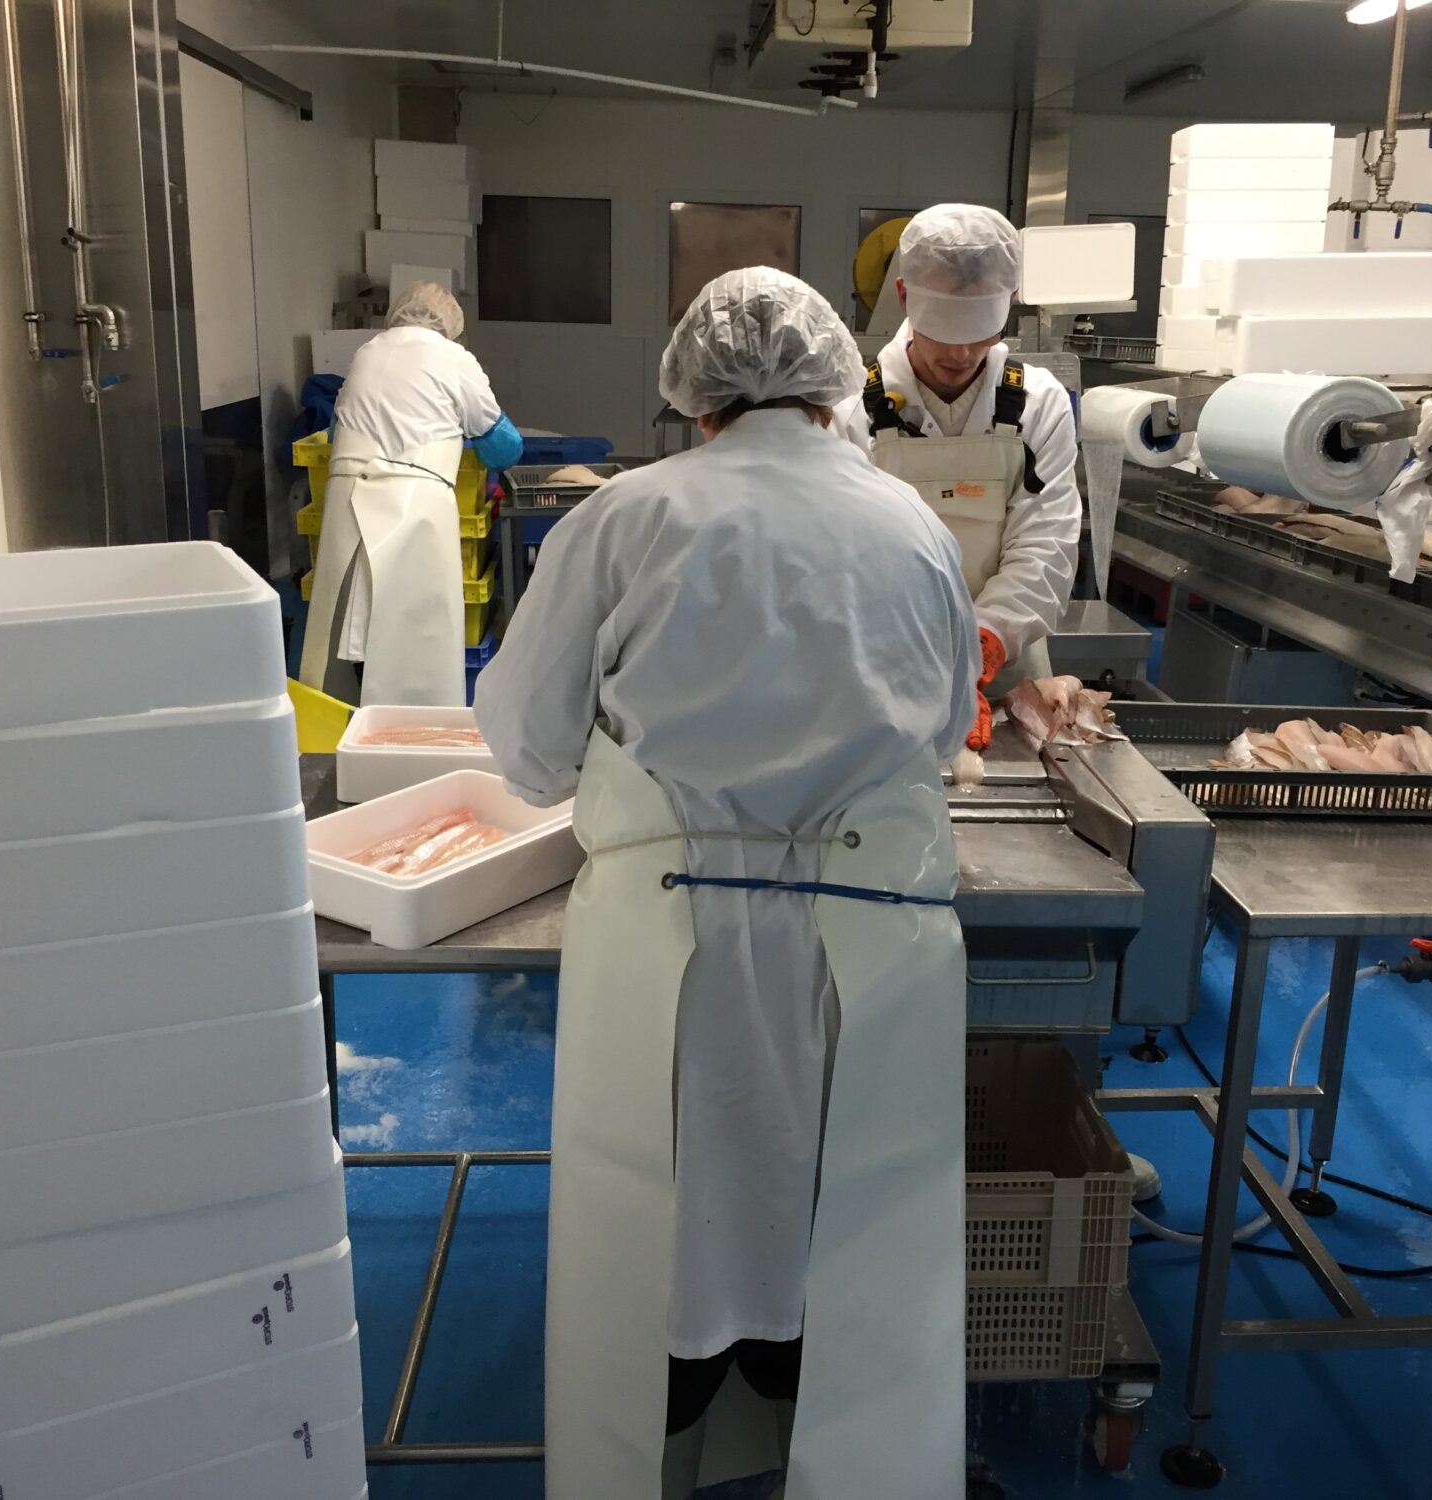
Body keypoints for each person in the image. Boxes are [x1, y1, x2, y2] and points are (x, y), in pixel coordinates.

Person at [475, 268, 976, 1500]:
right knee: (851, 1223)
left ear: (692, 394)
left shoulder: (623, 517)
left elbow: (528, 752)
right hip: (872, 957)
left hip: (668, 947)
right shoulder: (914, 526)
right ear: (831, 388)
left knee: (663, 1216)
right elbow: (950, 731)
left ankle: (659, 1445)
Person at [836, 204, 1082, 751]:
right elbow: (841, 559)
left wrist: (984, 642)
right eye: (943, 331)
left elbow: (1046, 543)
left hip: (1008, 672)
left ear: (1010, 304)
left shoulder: (1038, 403)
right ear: (902, 296)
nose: (961, 353)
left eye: (979, 333)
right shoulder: (850, 406)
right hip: (886, 670)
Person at [299, 281, 523, 706]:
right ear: (451, 325)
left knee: (345, 625)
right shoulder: (455, 359)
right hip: (414, 500)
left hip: (346, 496)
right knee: (416, 633)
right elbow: (505, 446)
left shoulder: (368, 352)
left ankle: (338, 727)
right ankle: (414, 732)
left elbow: (335, 430)